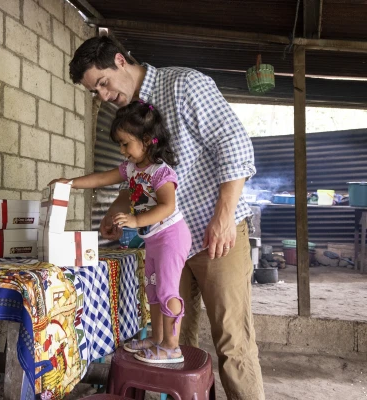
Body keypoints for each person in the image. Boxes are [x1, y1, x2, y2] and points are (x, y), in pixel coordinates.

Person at [69, 36, 264, 399]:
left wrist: (223, 217)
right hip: (168, 242)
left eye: (103, 84)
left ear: (120, 61)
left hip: (214, 234)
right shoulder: (132, 112)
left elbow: (235, 144)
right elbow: (141, 176)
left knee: (233, 343)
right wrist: (116, 212)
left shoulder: (184, 85)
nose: (104, 97)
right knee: (175, 346)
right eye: (95, 92)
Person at [51, 101, 191, 363]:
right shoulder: (132, 170)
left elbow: (167, 206)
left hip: (171, 237)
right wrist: (70, 183)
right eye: (120, 144)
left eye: (126, 143)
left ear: (147, 140)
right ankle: (157, 339)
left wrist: (135, 221)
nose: (122, 150)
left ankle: (173, 346)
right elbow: (102, 178)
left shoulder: (161, 172)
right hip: (154, 239)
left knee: (168, 290)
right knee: (153, 290)